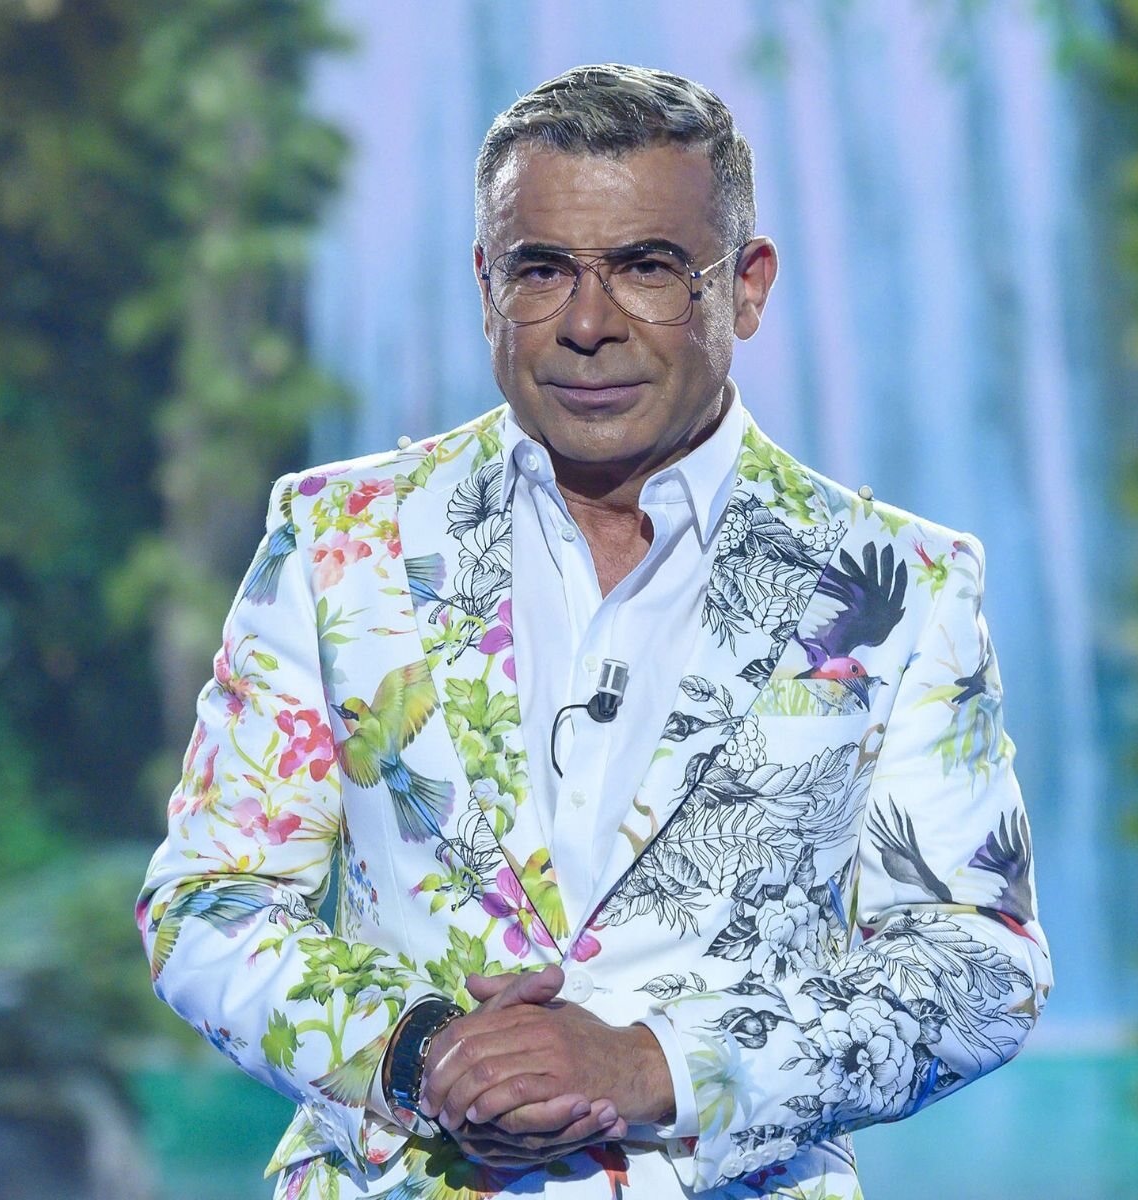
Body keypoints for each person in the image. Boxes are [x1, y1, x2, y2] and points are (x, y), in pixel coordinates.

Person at [137, 63, 1051, 1199]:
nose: (585, 324)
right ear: (486, 285)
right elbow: (208, 900)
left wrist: (656, 1067)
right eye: (542, 270)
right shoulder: (337, 538)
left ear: (747, 286)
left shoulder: (902, 584)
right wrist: (421, 1055)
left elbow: (978, 963)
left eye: (647, 268)